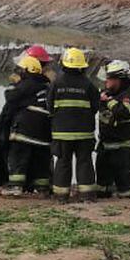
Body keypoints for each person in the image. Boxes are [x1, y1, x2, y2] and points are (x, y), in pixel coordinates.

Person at [0, 44, 56, 187]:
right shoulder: (48, 85)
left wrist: (15, 84)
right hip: (44, 134)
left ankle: (15, 186)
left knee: (18, 158)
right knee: (41, 163)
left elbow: (10, 99)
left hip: (23, 132)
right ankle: (42, 187)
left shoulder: (25, 85)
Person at [48, 47, 98, 197]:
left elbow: (49, 106)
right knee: (85, 163)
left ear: (64, 64)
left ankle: (61, 196)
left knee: (63, 163)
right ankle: (87, 195)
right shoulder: (89, 85)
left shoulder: (56, 84)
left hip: (62, 134)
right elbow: (95, 106)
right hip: (84, 134)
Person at [95, 59, 130, 198]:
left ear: (118, 80)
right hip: (105, 143)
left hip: (120, 145)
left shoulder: (127, 96)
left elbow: (125, 112)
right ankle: (102, 196)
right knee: (101, 173)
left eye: (108, 79)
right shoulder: (107, 93)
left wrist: (109, 102)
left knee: (122, 175)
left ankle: (129, 200)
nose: (106, 82)